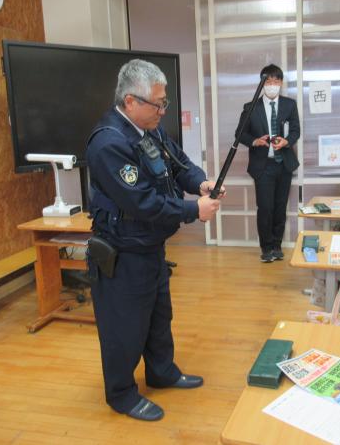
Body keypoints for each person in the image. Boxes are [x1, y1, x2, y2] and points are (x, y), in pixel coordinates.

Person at [85, 59, 223, 422]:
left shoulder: (149, 130)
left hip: (150, 246)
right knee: (125, 327)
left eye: (164, 103)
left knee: (159, 316)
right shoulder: (109, 143)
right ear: (130, 101)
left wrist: (201, 183)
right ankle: (121, 394)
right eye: (158, 104)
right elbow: (142, 202)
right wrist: (194, 211)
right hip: (122, 253)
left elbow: (179, 165)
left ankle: (162, 372)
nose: (163, 111)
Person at [235, 64, 300, 263]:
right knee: (265, 208)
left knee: (280, 207)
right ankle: (266, 247)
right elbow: (240, 134)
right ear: (262, 83)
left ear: (281, 83)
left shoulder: (289, 105)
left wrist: (287, 141)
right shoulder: (251, 107)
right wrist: (255, 141)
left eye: (276, 81)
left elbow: (296, 130)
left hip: (284, 164)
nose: (272, 84)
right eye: (268, 81)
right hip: (263, 166)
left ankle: (277, 245)